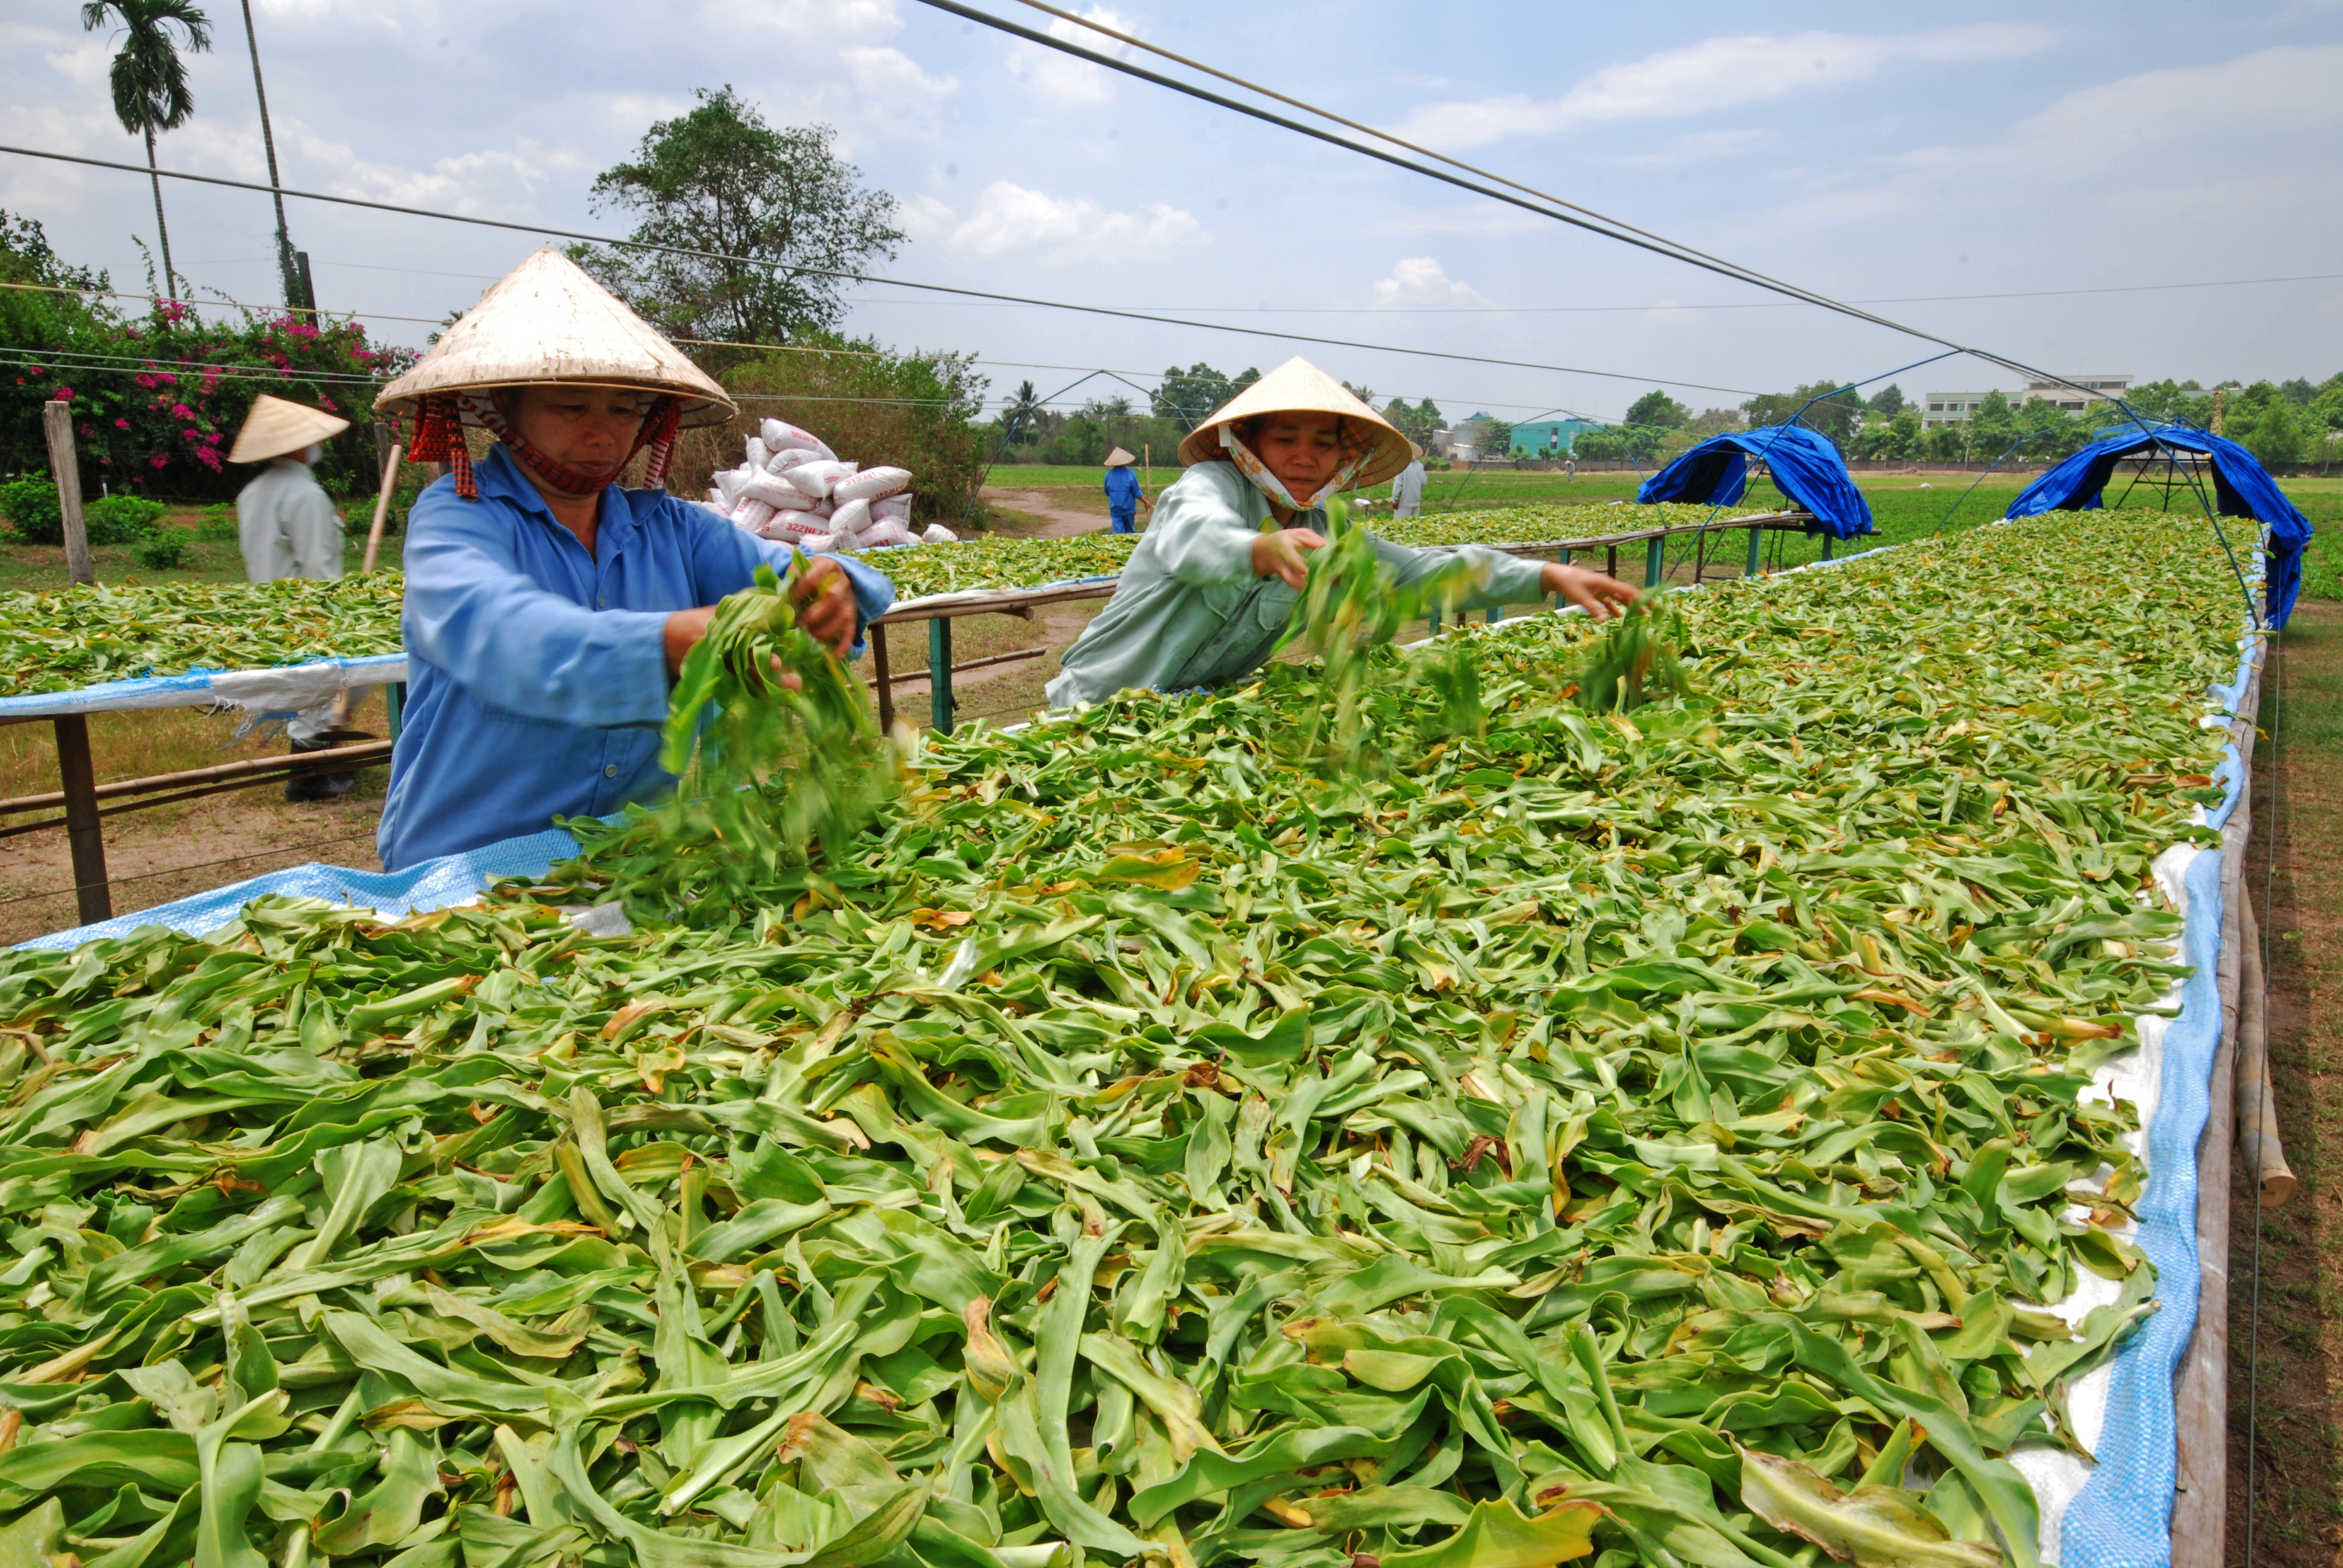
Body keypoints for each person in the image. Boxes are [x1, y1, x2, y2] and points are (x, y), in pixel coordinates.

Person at [370, 247, 894, 872]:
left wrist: (833, 585)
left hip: (629, 860)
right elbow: (503, 635)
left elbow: (812, 580)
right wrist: (667, 641)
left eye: (624, 409)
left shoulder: (674, 529)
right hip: (465, 870)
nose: (603, 433)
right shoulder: (457, 519)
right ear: (502, 409)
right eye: (571, 407)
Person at [1046, 358, 1635, 709]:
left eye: (1322, 443)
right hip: (1096, 708)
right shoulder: (1211, 485)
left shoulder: (1320, 527)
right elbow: (1194, 539)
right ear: (1249, 443)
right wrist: (1257, 549)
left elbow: (1417, 570)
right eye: (1284, 439)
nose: (1303, 457)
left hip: (1187, 719)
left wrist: (1545, 574)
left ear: (1341, 461)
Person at [226, 393, 369, 801]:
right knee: (334, 683)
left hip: (268, 605)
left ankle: (319, 764)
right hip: (304, 606)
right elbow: (318, 568)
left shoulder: (254, 491)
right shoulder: (305, 496)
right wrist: (341, 611)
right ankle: (308, 772)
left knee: (309, 684)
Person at [1103, 446, 1147, 534]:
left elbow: (1107, 492)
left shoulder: (1108, 475)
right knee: (1130, 532)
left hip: (1115, 508)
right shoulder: (1131, 474)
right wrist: (1145, 502)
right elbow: (1136, 492)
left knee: (1118, 534)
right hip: (1128, 508)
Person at [1390, 448, 1427, 518]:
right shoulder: (1419, 465)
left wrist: (1395, 501)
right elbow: (1424, 482)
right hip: (1416, 502)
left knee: (1400, 526)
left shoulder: (1402, 465)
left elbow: (1398, 486)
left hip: (1404, 504)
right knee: (1414, 525)